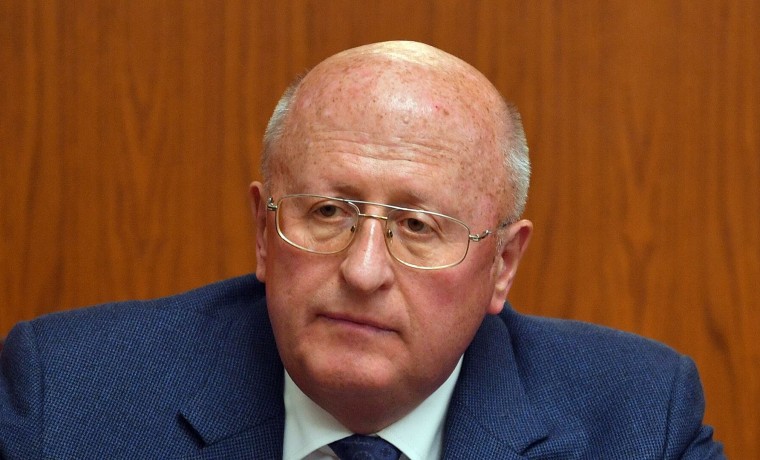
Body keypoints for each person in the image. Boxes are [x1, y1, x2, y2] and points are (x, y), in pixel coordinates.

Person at [0, 41, 723, 459]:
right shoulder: (68, 401)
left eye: (418, 226)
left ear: (502, 265)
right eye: (327, 213)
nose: (364, 270)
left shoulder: (636, 421)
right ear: (263, 233)